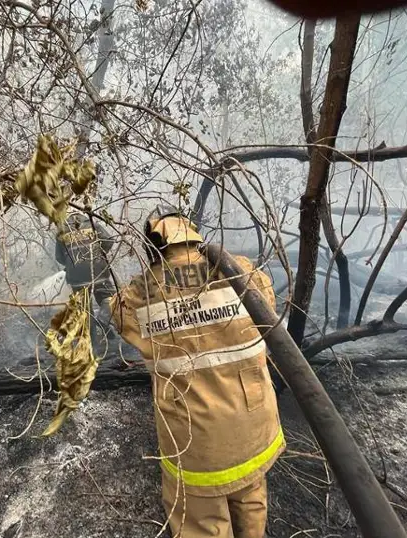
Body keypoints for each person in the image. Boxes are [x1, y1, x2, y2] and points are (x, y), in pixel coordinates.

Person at [105, 204, 284, 538]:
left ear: (153, 245)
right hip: (254, 424)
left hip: (195, 440)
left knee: (202, 523)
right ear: (193, 234)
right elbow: (267, 306)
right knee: (250, 499)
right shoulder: (242, 271)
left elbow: (118, 313)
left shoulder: (141, 292)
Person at [55, 210, 117, 340]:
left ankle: (92, 345)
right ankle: (103, 319)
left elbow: (59, 257)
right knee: (110, 297)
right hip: (98, 271)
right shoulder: (92, 223)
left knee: (85, 310)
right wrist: (99, 254)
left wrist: (71, 263)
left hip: (76, 277)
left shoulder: (62, 230)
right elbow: (108, 241)